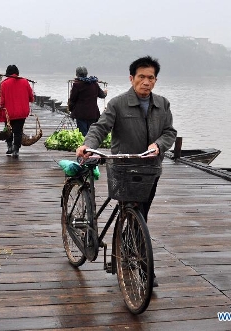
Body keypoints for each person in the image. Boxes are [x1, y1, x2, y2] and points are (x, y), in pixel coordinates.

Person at [76, 55, 177, 287]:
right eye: (141, 77)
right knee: (134, 213)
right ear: (132, 78)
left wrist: (158, 146)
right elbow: (100, 127)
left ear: (156, 80)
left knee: (140, 216)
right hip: (123, 168)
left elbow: (170, 132)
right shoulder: (118, 104)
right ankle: (143, 269)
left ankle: (129, 252)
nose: (146, 82)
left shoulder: (163, 104)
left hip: (151, 170)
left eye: (151, 78)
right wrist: (88, 146)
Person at [0, 65, 34, 158]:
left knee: (8, 130)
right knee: (18, 132)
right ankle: (16, 149)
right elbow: (31, 97)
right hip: (21, 112)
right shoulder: (25, 82)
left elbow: (0, 99)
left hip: (8, 113)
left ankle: (9, 147)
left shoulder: (4, 84)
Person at [68, 66, 107, 136]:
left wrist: (71, 109)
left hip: (80, 114)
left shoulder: (76, 85)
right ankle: (90, 146)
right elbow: (102, 95)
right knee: (91, 133)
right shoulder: (94, 83)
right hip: (93, 113)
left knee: (83, 134)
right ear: (86, 73)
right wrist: (105, 92)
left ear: (77, 74)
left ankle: (85, 146)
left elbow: (72, 99)